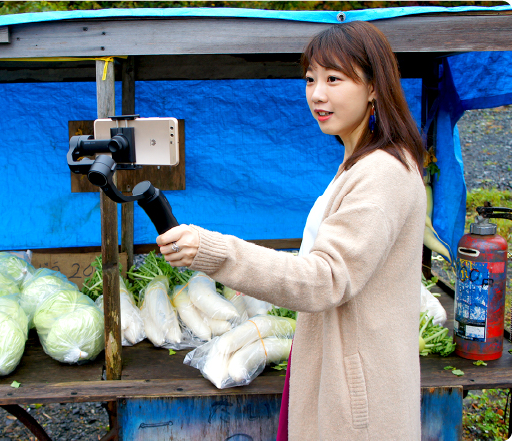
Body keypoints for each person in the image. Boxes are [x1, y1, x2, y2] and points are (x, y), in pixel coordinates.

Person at [157, 21, 426, 441]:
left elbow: (325, 278)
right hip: (340, 379)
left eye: (334, 79)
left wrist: (215, 252)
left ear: (374, 86)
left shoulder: (383, 174)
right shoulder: (358, 164)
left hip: (360, 402)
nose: (317, 94)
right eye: (310, 79)